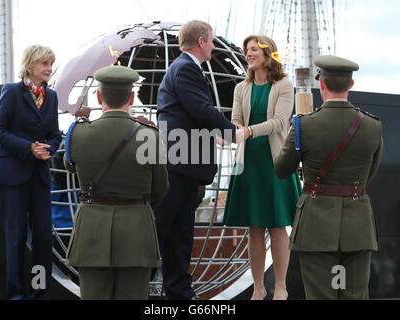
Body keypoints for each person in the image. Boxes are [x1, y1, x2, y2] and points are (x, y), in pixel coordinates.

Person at [274, 55, 383, 299]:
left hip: (316, 227)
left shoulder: (304, 126)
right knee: (354, 295)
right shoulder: (372, 126)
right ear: (351, 85)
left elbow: (282, 169)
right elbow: (370, 175)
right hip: (358, 227)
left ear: (321, 84)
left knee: (322, 295)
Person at [63, 65, 169, 300]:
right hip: (136, 235)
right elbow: (161, 190)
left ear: (99, 96)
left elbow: (70, 165)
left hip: (91, 235)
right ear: (131, 98)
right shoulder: (149, 136)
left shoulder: (77, 134)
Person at [154, 20, 237, 300]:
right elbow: (200, 109)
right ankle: (149, 286)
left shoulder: (183, 68)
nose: (214, 46)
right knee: (164, 230)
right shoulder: (186, 68)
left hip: (185, 165)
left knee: (179, 234)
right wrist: (234, 132)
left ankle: (178, 292)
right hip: (179, 164)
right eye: (211, 41)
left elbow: (193, 114)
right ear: (201, 41)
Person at [223, 35, 302, 300]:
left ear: (268, 53)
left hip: (274, 161)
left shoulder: (284, 84)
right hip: (248, 162)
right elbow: (235, 120)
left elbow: (280, 122)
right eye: (247, 50)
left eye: (253, 49)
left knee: (278, 226)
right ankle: (258, 288)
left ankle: (281, 287)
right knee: (254, 227)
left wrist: (248, 131)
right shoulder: (240, 88)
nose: (248, 54)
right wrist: (234, 131)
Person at [0, 45, 62, 300]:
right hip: (11, 174)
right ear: (30, 65)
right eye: (44, 64)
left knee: (43, 237)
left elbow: (55, 134)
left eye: (51, 64)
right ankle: (16, 295)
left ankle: (40, 291)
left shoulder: (50, 96)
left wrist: (48, 148)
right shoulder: (11, 92)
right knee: (17, 238)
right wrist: (29, 148)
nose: (49, 69)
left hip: (39, 175)